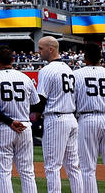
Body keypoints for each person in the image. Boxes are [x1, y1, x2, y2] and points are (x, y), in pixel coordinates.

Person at [0, 45, 39, 193]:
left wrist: (10, 121)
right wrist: (23, 116)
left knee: (3, 173)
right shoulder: (25, 78)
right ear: (13, 60)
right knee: (27, 172)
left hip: (2, 127)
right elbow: (36, 104)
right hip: (24, 126)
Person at [36, 36, 89, 193]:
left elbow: (40, 101)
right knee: (73, 166)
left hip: (56, 118)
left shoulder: (47, 70)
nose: (38, 51)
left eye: (41, 48)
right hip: (71, 118)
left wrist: (33, 113)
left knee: (52, 166)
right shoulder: (68, 69)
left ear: (50, 49)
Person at [73, 41, 105, 184]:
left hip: (87, 118)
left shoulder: (76, 74)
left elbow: (72, 101)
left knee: (87, 169)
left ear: (85, 57)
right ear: (100, 58)